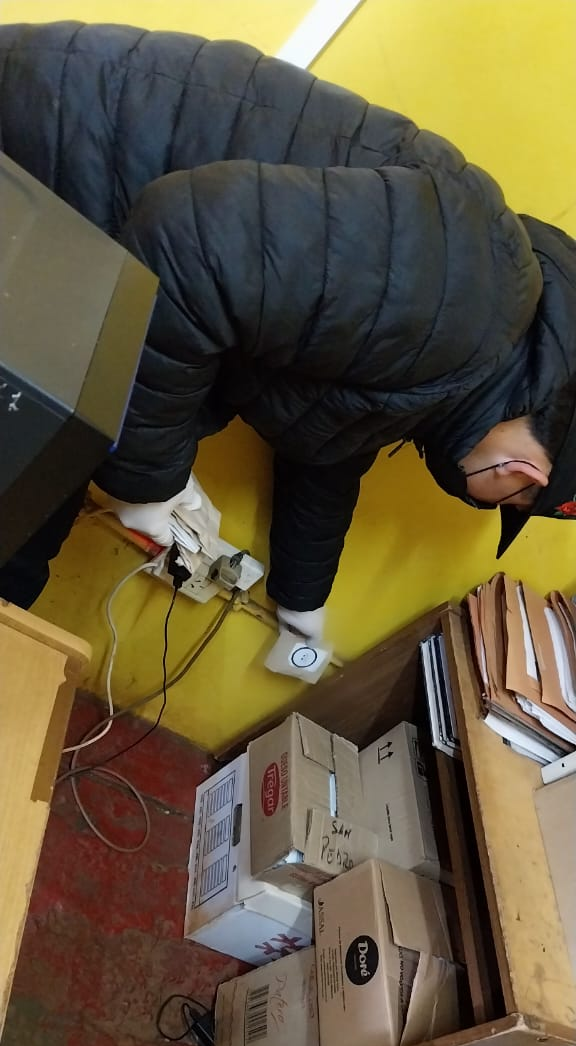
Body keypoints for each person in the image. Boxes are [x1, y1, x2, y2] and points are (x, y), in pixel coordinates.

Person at [1, 23, 575, 634]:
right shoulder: (464, 298)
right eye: (508, 506)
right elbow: (185, 246)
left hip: (90, 234)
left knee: (24, 539)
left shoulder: (467, 352)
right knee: (18, 537)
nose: (484, 500)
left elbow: (331, 447)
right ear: (523, 476)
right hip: (51, 159)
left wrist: (303, 604)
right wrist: (149, 483)